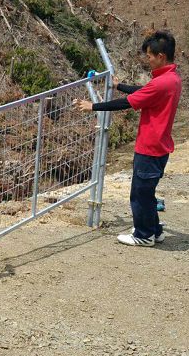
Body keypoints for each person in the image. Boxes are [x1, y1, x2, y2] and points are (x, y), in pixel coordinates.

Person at [74, 31, 182, 246]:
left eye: (150, 56)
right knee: (147, 192)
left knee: (140, 194)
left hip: (150, 148)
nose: (147, 60)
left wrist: (93, 106)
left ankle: (143, 236)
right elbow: (144, 91)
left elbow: (127, 103)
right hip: (160, 146)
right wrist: (119, 85)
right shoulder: (171, 79)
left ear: (161, 56)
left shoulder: (161, 83)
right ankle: (155, 230)